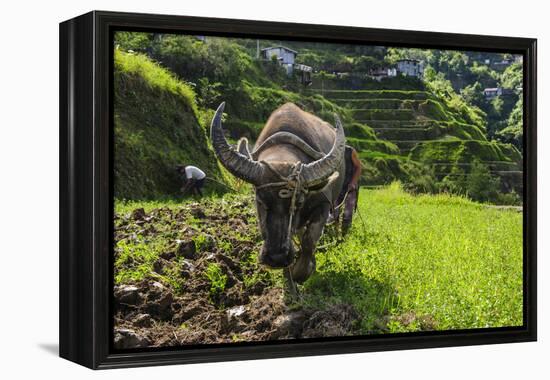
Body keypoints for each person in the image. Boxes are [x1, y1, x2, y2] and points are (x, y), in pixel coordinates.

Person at [333, 145, 362, 235]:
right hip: (336, 186)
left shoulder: (350, 151)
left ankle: (345, 236)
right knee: (334, 212)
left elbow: (359, 167)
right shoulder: (330, 151)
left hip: (349, 185)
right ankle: (334, 232)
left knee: (347, 214)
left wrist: (353, 182)